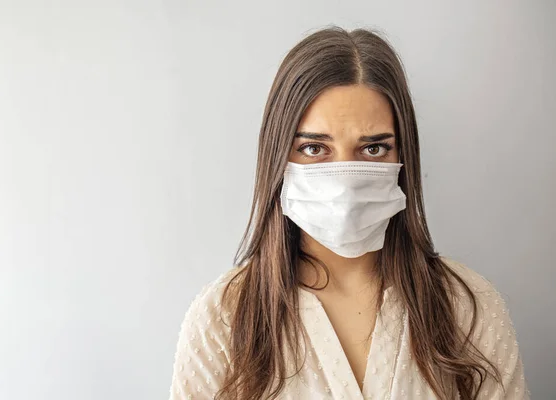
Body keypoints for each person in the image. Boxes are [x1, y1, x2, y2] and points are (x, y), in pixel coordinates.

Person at [168, 26, 529, 400]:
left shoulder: (468, 305)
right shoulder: (222, 318)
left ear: (404, 158)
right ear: (277, 157)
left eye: (372, 150)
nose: (345, 182)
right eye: (313, 148)